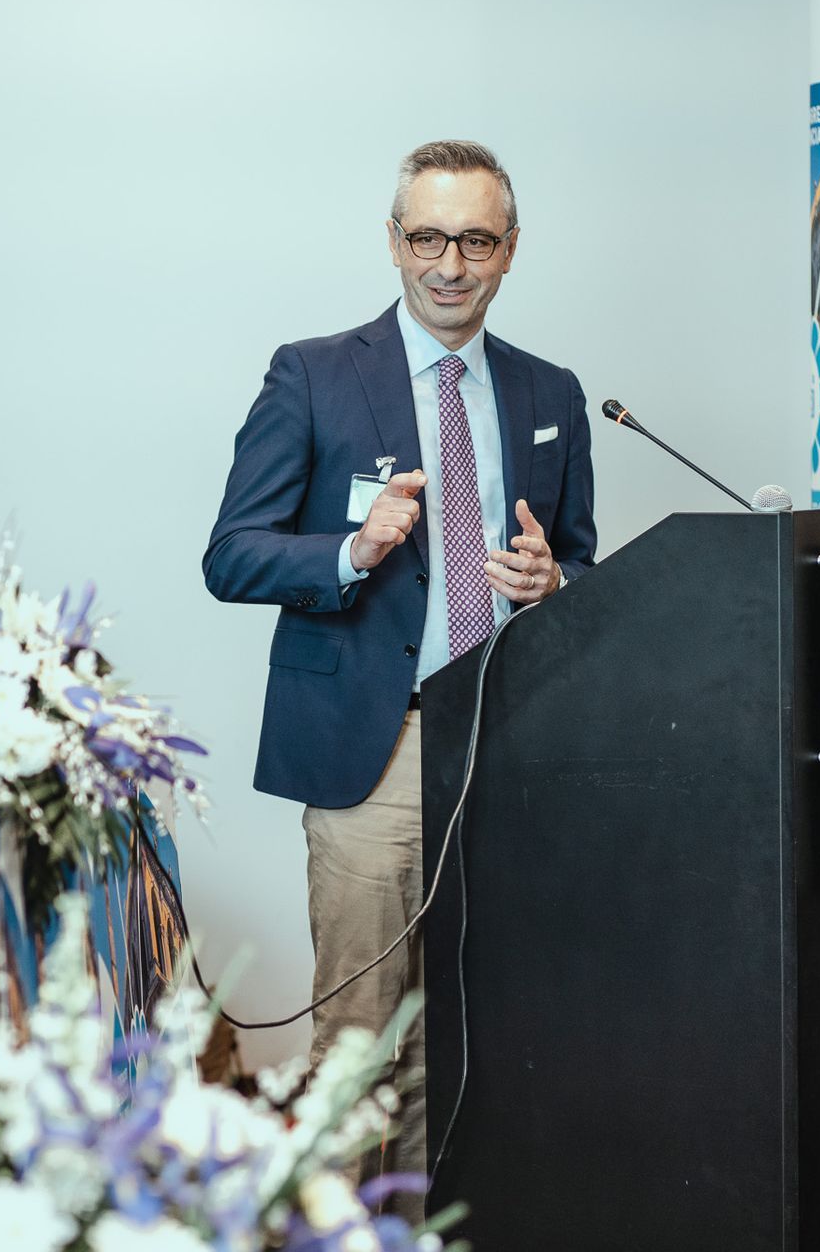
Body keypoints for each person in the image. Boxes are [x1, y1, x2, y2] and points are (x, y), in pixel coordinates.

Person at [202, 140, 598, 1209]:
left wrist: (557, 583)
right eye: (428, 236)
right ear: (394, 241)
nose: (450, 262)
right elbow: (231, 552)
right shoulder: (315, 373)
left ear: (510, 249)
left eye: (475, 238)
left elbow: (586, 565)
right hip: (372, 752)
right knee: (361, 1041)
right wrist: (352, 551)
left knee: (469, 1033)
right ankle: (340, 1230)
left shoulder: (550, 392)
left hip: (505, 750)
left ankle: (421, 1232)